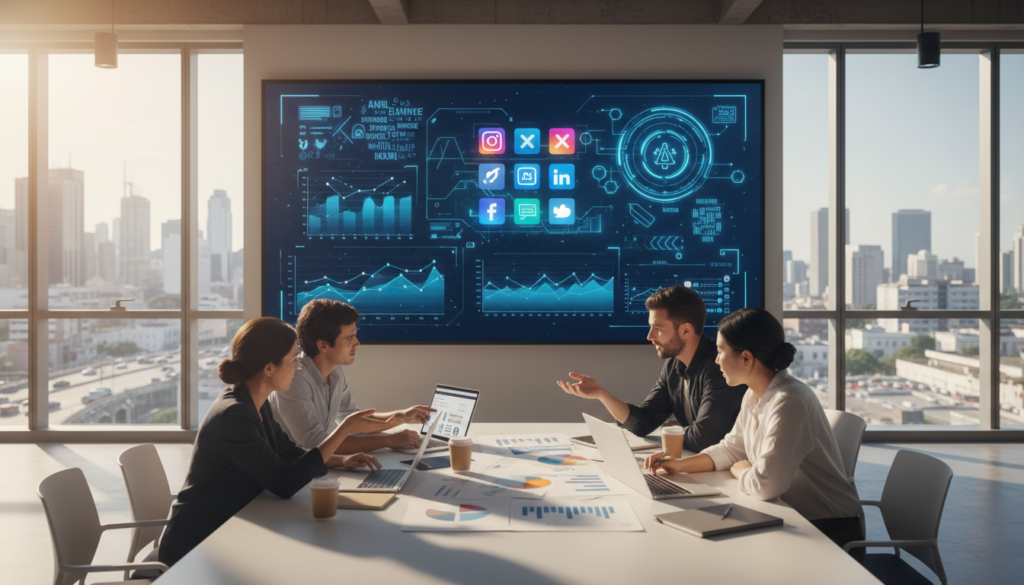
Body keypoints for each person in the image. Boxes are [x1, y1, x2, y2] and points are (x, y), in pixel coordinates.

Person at [159, 317, 385, 568]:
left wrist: (341, 460)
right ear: (269, 368)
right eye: (293, 360)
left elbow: (290, 454)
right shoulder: (234, 415)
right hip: (199, 547)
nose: (298, 367)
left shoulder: (256, 403)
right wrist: (343, 431)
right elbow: (284, 482)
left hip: (236, 528)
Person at [644, 307, 865, 561]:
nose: (716, 360)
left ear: (746, 358)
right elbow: (731, 449)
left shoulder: (789, 400)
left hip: (829, 531)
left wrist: (741, 471)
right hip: (794, 516)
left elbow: (766, 485)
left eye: (720, 351)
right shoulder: (753, 393)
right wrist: (680, 465)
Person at [557, 286, 746, 453]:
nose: (650, 336)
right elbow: (643, 423)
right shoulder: (673, 365)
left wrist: (671, 430)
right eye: (650, 327)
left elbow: (703, 440)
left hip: (730, 471)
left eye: (658, 328)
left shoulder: (720, 366)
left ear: (686, 330)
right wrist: (601, 394)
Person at [270, 299, 435, 452]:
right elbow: (315, 443)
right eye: (349, 338)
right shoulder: (295, 378)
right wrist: (389, 441)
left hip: (320, 467)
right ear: (323, 345)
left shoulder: (335, 372)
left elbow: (352, 420)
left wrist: (401, 416)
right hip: (294, 475)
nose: (357, 343)